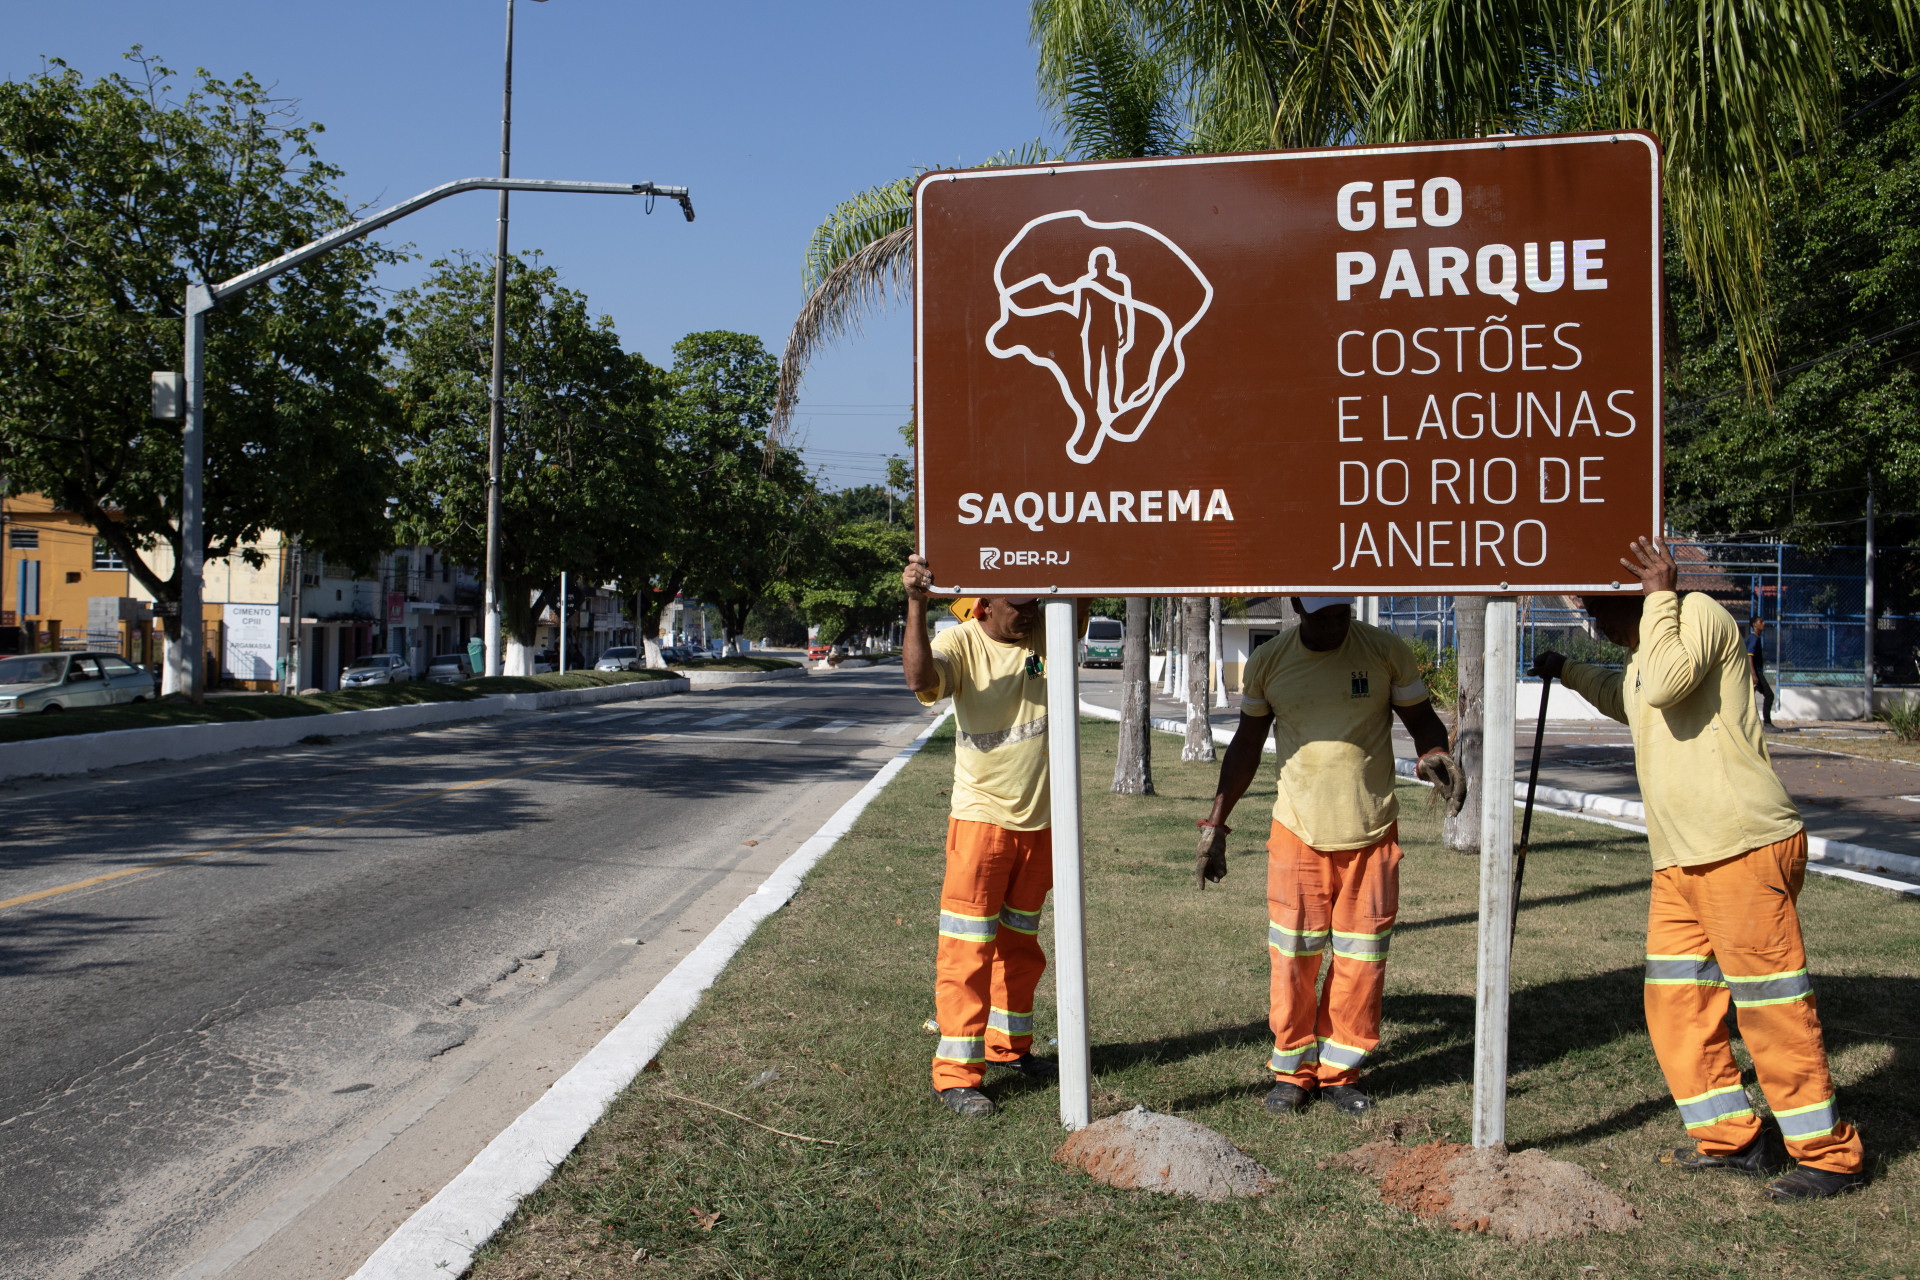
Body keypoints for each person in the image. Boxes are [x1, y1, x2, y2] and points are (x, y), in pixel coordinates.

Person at [1533, 537, 1865, 1201]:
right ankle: (1732, 1137)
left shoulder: (1698, 616)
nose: (1597, 623)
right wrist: (1567, 669)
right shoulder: (1648, 649)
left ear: (1639, 591)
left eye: (1600, 608)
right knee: (1676, 1002)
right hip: (1681, 861)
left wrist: (1660, 597)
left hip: (1739, 846)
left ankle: (1829, 1157)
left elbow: (1663, 685)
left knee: (1770, 1004)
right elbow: (1629, 693)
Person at [1197, 596, 1464, 1116]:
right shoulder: (1269, 661)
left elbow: (1422, 721)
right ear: (1298, 605)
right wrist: (1216, 823)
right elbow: (1246, 745)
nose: (1336, 624)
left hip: (1372, 833)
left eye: (1343, 613)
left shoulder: (1385, 651)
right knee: (1293, 960)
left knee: (1361, 962)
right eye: (1323, 616)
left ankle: (1341, 1073)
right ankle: (1292, 1073)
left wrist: (1434, 754)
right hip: (1297, 834)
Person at [902, 554, 1060, 1117]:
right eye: (1019, 605)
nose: (1030, 612)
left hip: (1040, 824)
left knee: (1020, 946)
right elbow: (921, 680)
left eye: (1034, 602)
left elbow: (1084, 592)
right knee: (967, 949)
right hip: (980, 824)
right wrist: (916, 603)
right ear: (985, 604)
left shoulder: (1045, 630)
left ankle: (1008, 1048)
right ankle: (955, 1076)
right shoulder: (961, 642)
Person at [1747, 615, 1777, 729]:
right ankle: (1767, 723)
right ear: (1755, 625)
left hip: (1755, 672)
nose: (1763, 623)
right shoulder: (1753, 638)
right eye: (1761, 621)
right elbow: (1749, 656)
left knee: (1750, 697)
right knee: (1769, 695)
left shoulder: (1755, 638)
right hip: (1756, 673)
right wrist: (1754, 674)